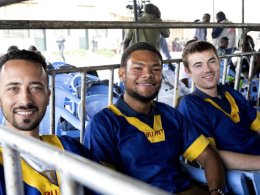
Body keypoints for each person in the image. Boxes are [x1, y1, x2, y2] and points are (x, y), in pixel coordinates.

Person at [84, 42, 226, 194]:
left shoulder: (170, 115)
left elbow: (208, 156)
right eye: (138, 68)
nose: (148, 74)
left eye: (156, 69)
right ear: (122, 74)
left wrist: (216, 191)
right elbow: (102, 182)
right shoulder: (104, 123)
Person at [0, 50, 91, 194]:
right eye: (13, 89)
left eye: (35, 88)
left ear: (48, 96)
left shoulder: (70, 148)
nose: (25, 100)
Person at [178, 40, 260, 171]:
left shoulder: (230, 92)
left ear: (219, 61)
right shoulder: (191, 105)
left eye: (212, 61)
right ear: (188, 71)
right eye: (198, 65)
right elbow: (211, 156)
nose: (208, 69)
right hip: (244, 174)